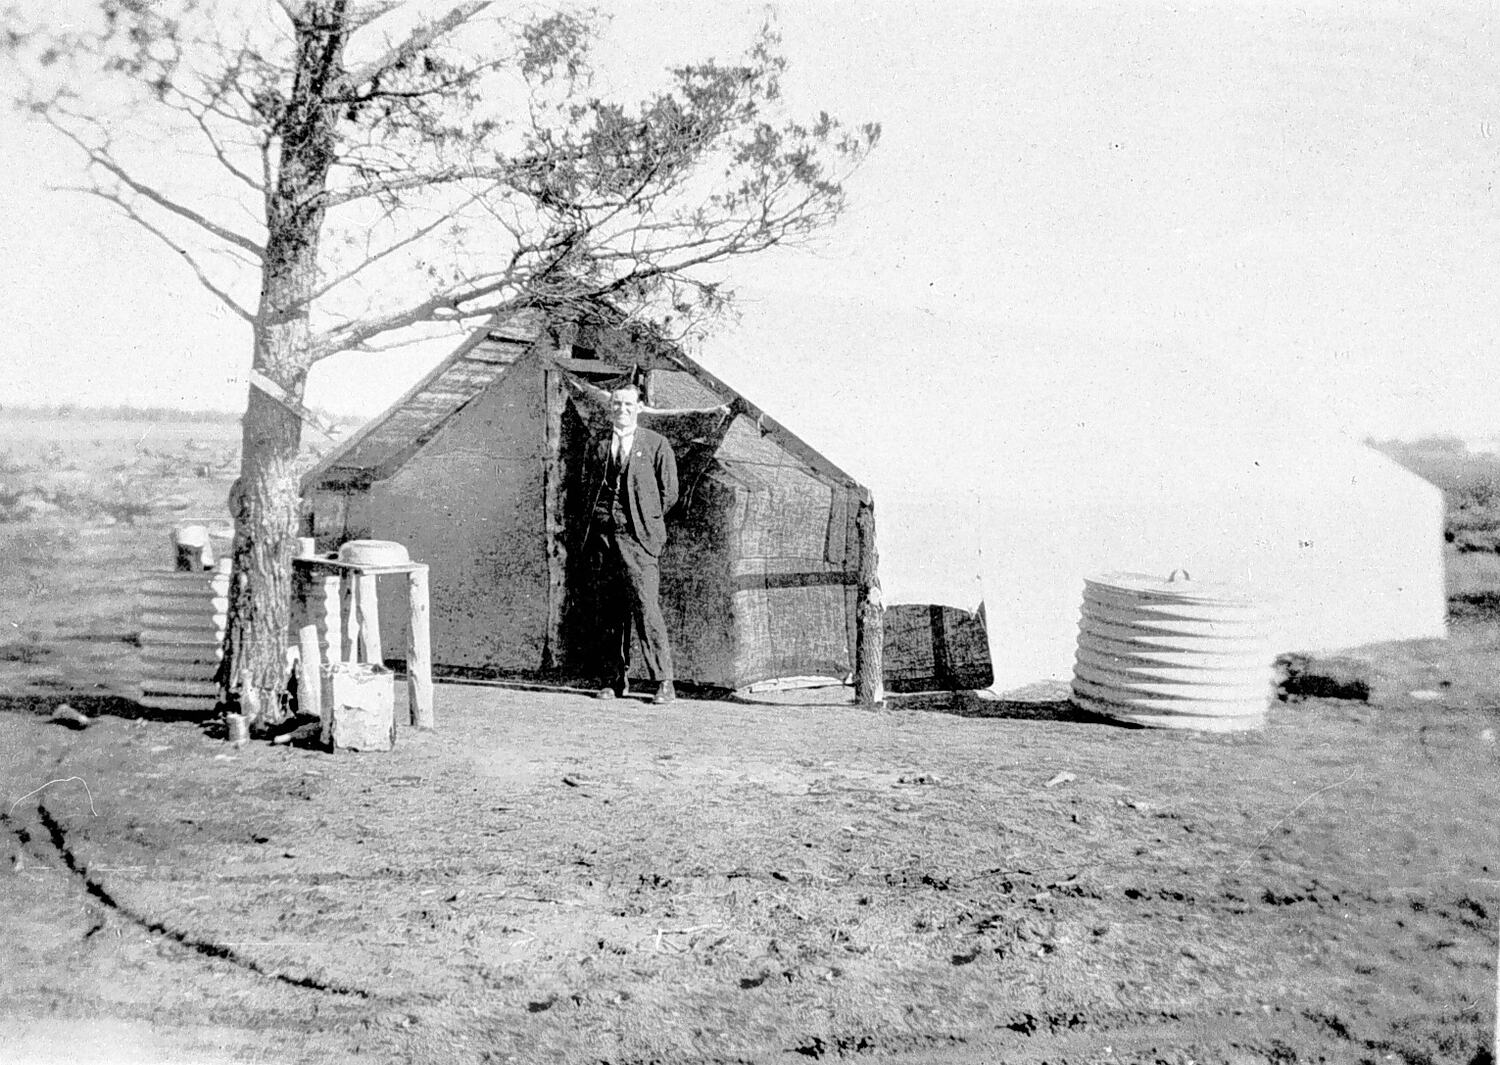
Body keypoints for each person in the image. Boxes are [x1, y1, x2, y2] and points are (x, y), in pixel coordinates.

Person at [582, 383, 679, 704]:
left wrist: (643, 523)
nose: (621, 410)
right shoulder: (597, 445)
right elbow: (587, 486)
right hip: (603, 539)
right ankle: (614, 679)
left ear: (639, 407)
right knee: (608, 611)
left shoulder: (656, 444)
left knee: (645, 609)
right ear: (610, 407)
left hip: (638, 540)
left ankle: (664, 682)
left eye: (628, 405)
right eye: (616, 404)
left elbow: (669, 494)